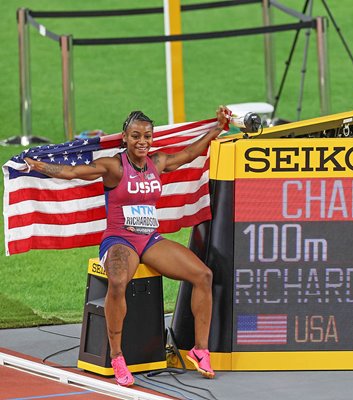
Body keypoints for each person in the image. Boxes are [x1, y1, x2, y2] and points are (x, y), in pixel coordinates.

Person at [25, 106, 230, 386]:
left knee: (203, 275)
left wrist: (218, 128)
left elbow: (189, 153)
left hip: (149, 239)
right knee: (119, 281)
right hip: (120, 239)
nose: (142, 141)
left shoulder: (157, 163)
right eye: (136, 136)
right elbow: (73, 172)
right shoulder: (114, 166)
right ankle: (117, 356)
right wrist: (39, 165)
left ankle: (200, 349)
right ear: (125, 137)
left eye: (147, 135)